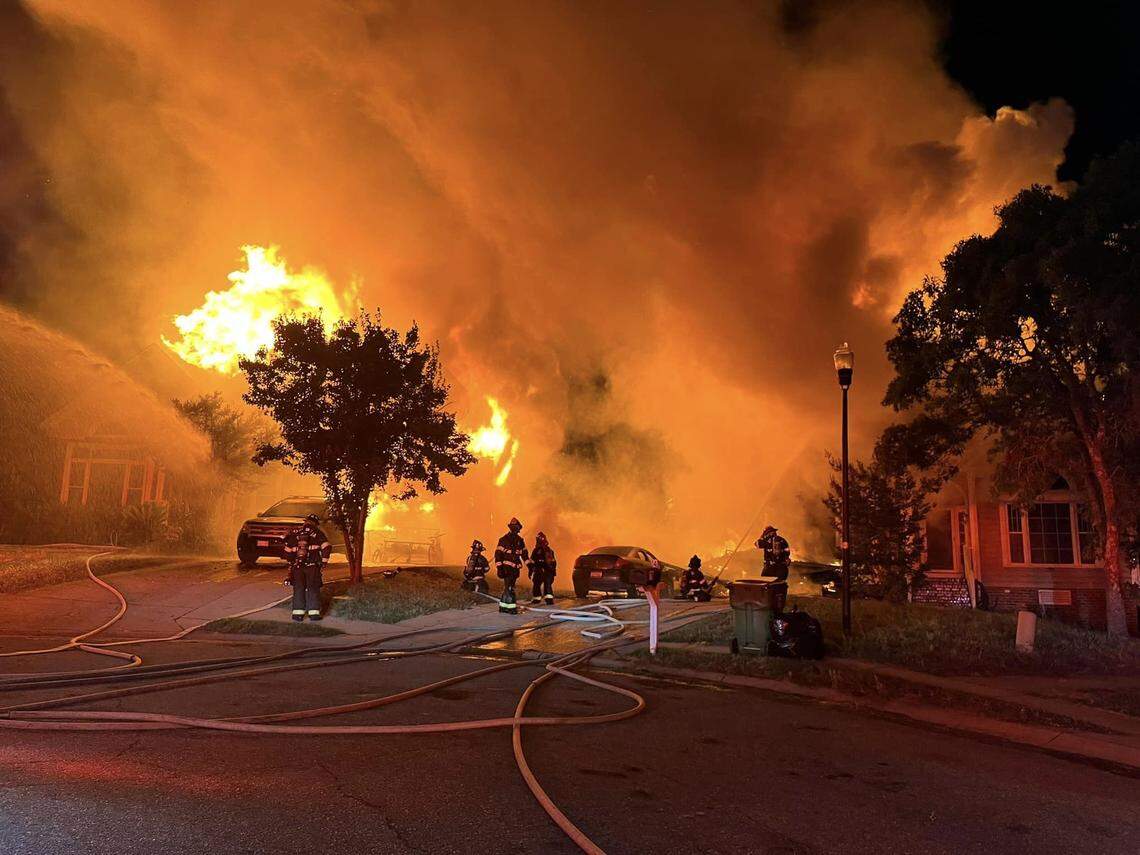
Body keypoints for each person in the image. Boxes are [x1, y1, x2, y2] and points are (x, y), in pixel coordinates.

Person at [283, 514, 331, 621]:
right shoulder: (318, 533)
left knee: (298, 588)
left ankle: (297, 614)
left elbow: (287, 551)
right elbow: (327, 547)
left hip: (297, 567)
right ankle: (313, 614)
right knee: (313, 588)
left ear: (306, 522)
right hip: (312, 566)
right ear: (316, 523)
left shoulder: (296, 533)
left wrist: (292, 562)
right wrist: (323, 562)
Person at [494, 517, 528, 614]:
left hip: (515, 569)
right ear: (511, 527)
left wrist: (530, 567)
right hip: (506, 568)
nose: (516, 529)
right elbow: (498, 555)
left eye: (517, 527)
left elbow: (525, 555)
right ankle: (511, 608)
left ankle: (503, 607)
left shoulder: (520, 540)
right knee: (509, 587)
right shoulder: (503, 539)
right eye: (514, 527)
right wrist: (499, 568)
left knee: (508, 587)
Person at [756, 525, 790, 613]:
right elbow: (787, 551)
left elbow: (757, 544)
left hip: (770, 569)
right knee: (779, 587)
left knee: (764, 585)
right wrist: (786, 559)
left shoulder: (765, 541)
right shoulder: (783, 540)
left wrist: (762, 535)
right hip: (782, 569)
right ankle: (778, 608)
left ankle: (766, 607)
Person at [528, 531, 557, 605]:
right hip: (545, 571)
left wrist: (531, 571)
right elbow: (553, 563)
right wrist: (553, 572)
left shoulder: (538, 550)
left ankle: (540, 599)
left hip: (542, 570)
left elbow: (532, 561)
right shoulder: (549, 550)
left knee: (540, 584)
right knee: (541, 584)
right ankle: (546, 599)